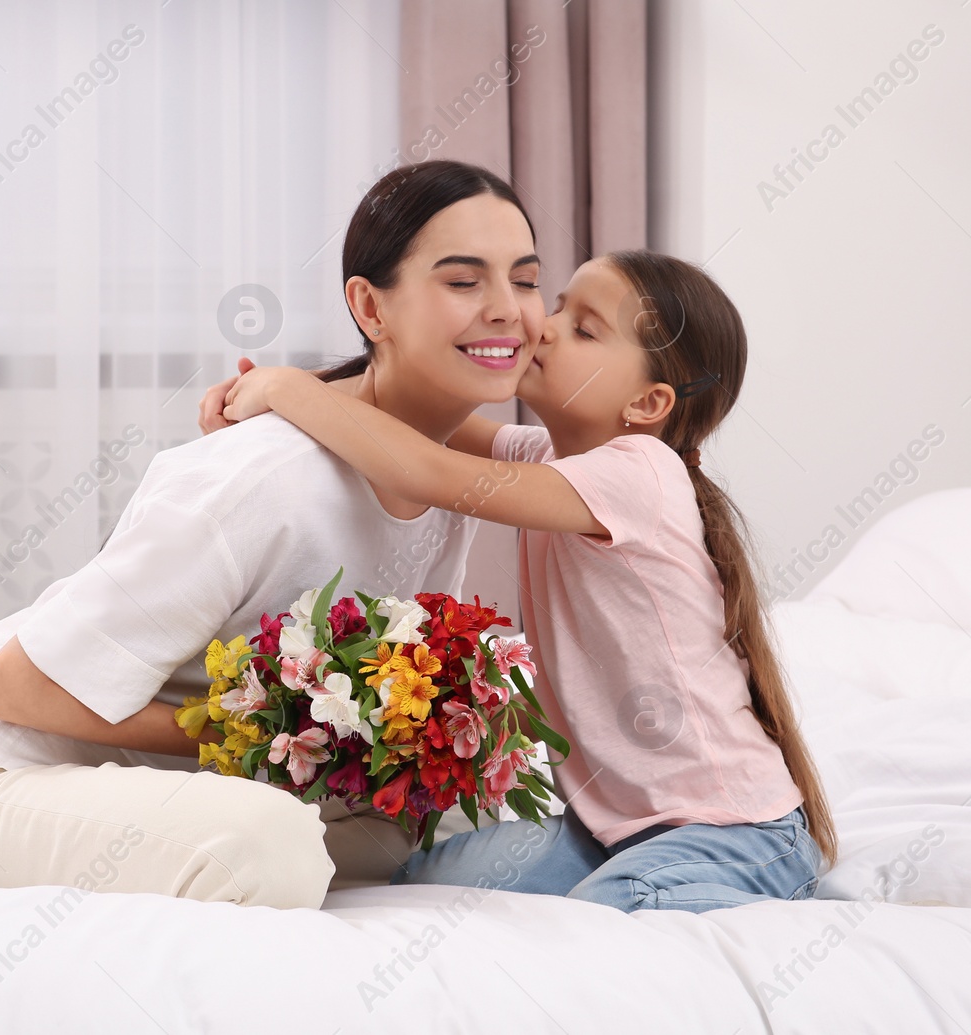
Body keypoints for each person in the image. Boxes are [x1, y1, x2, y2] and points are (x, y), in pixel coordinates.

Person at [0, 160, 548, 908]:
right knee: (264, 845)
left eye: (524, 280)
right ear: (371, 307)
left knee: (435, 820)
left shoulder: (447, 476)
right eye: (463, 281)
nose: (507, 310)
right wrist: (292, 739)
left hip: (157, 786)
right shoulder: (263, 475)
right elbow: (17, 686)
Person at [205, 250, 839, 912]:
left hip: (732, 834)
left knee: (601, 930)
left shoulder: (639, 473)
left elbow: (422, 468)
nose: (546, 326)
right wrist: (268, 396)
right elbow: (414, 420)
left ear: (647, 403)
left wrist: (286, 390)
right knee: (424, 890)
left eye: (584, 328)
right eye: (560, 305)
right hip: (608, 831)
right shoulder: (549, 458)